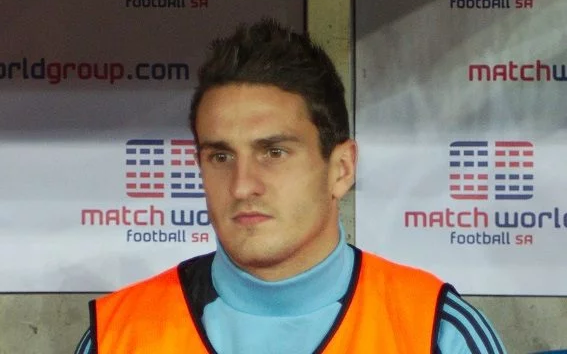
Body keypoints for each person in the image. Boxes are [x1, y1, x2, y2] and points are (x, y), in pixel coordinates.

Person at [75, 19, 507, 353]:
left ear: (341, 169)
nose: (243, 185)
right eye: (221, 157)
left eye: (274, 152)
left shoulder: (437, 332)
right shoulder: (117, 337)